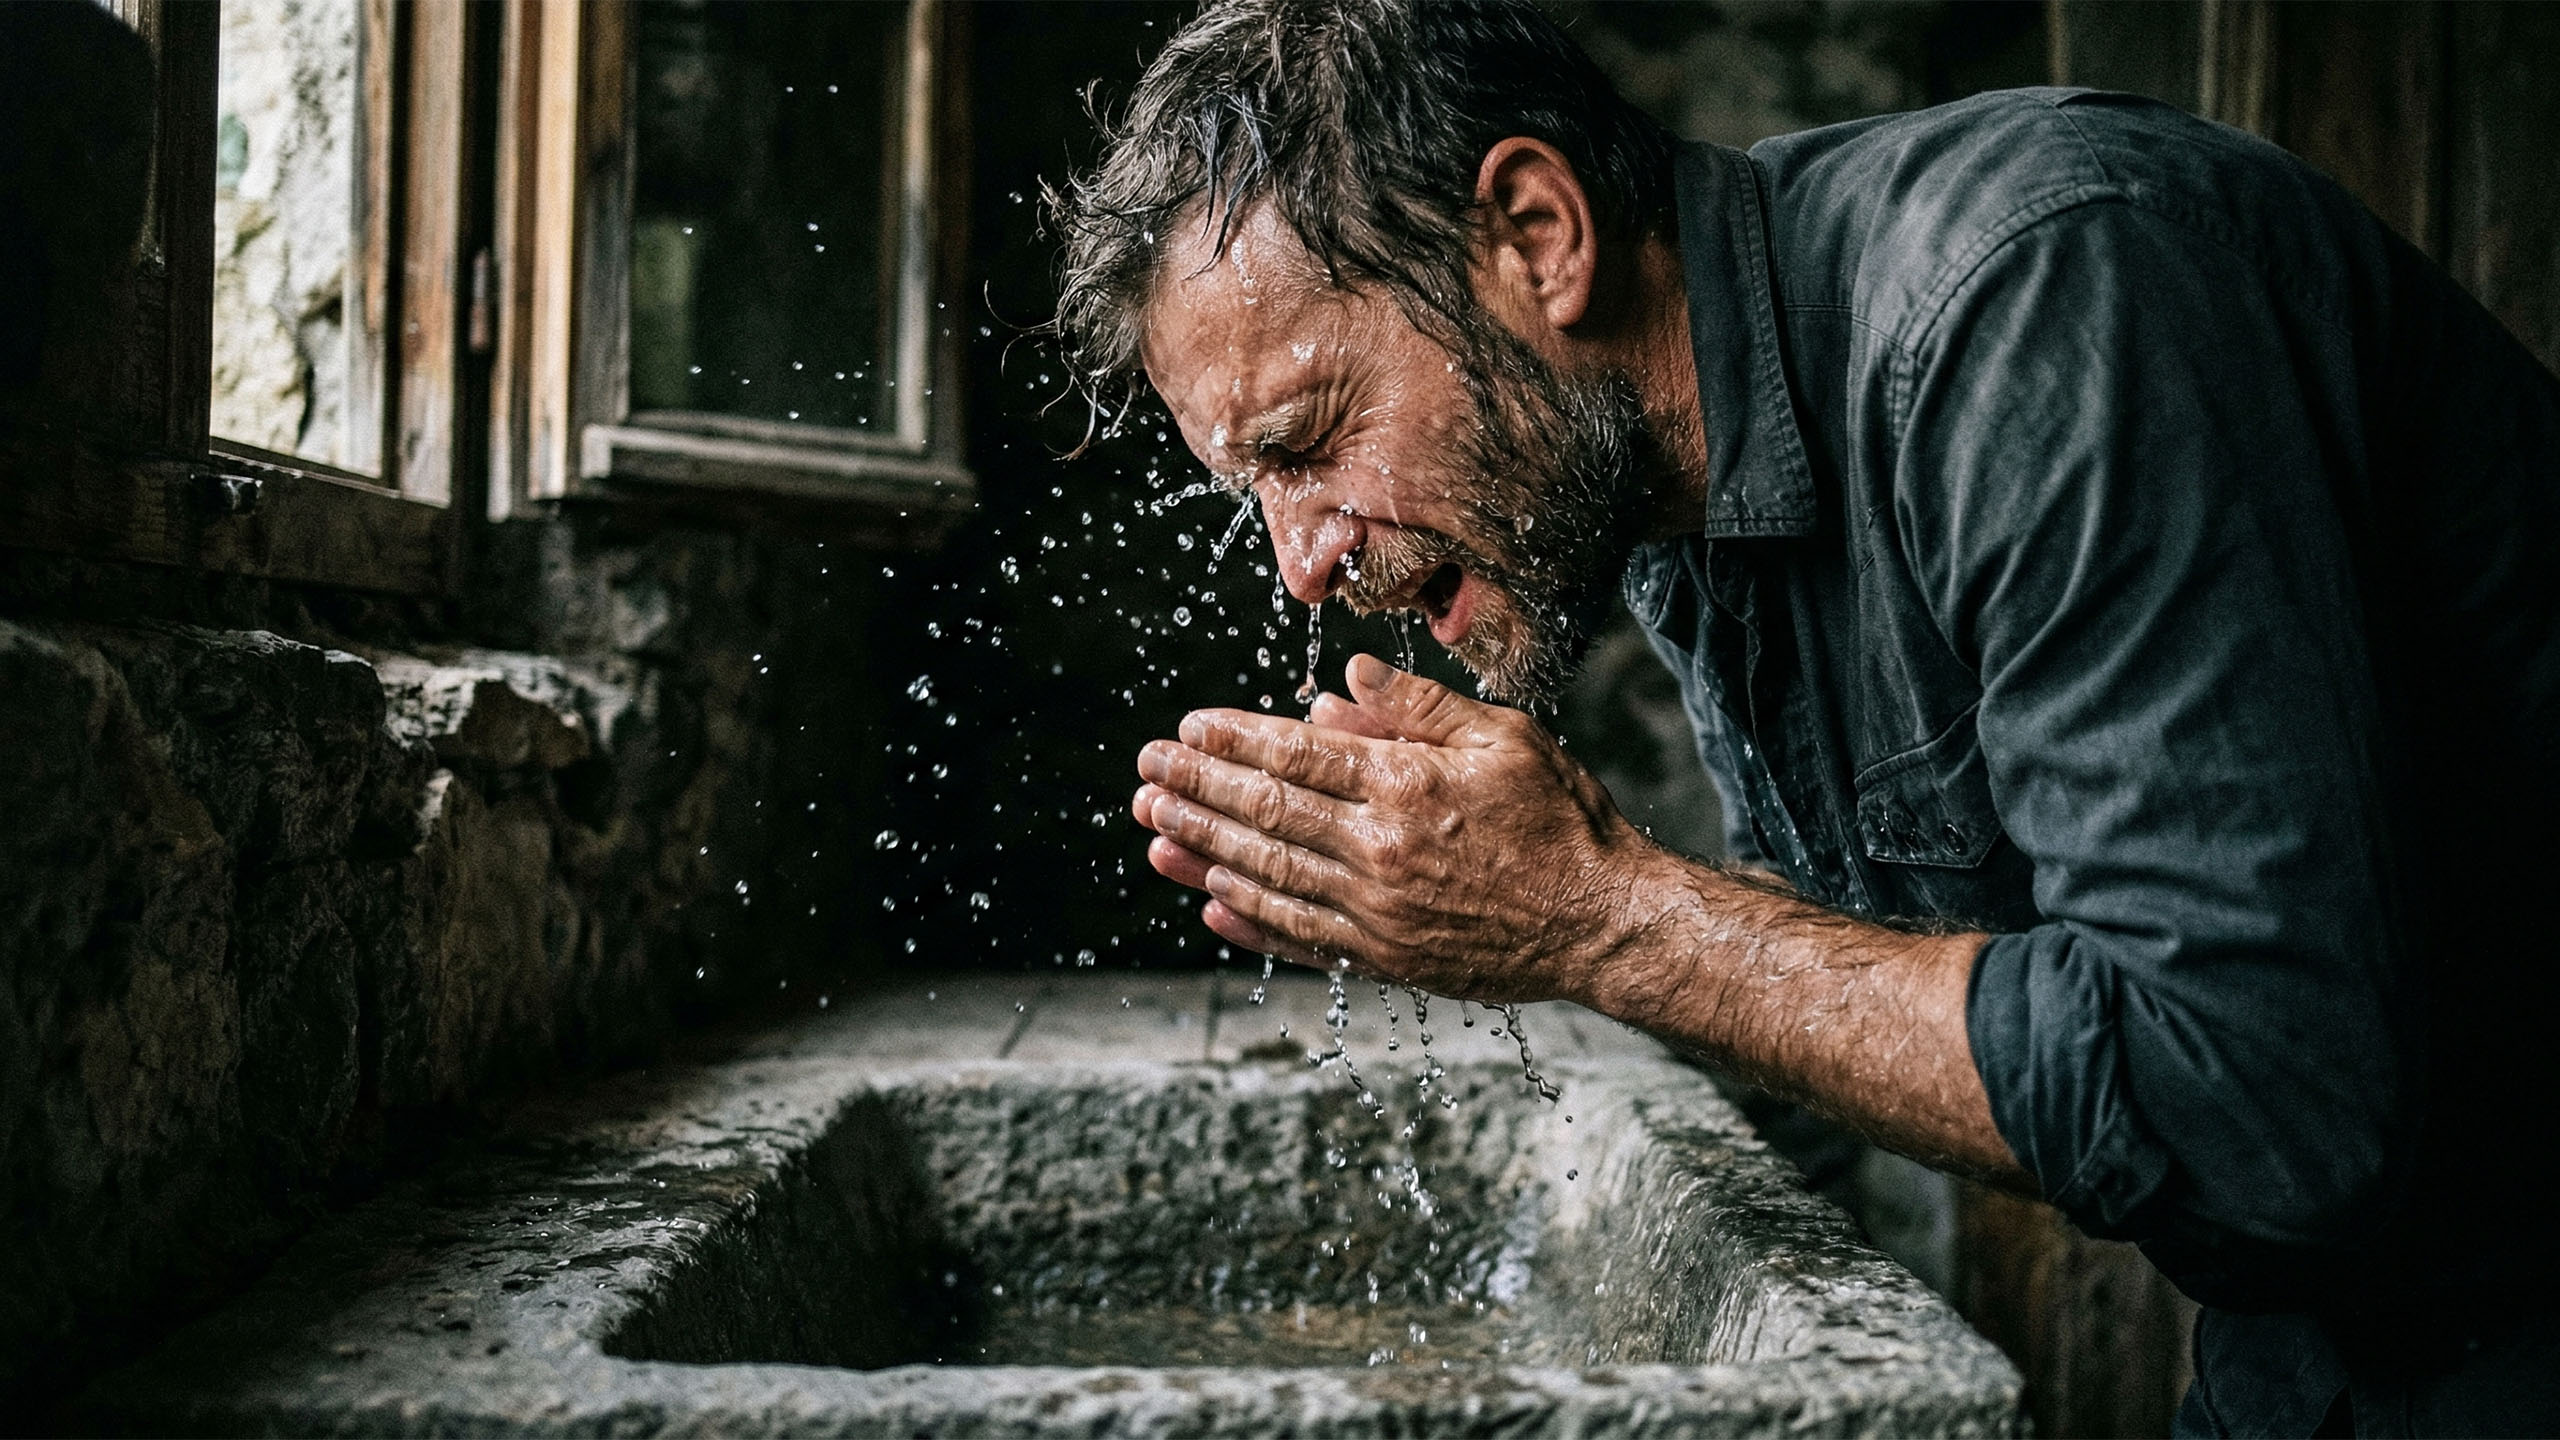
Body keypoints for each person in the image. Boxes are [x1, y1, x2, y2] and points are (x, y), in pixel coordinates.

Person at [1054, 2, 2560, 1433]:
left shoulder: (2043, 295)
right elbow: (1878, 961)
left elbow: (2262, 1097)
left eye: (1307, 445)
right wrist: (1502, 899)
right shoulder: (1668, 482)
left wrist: (1591, 916)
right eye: (1252, 492)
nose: (1302, 561)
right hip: (2320, 1344)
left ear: (1536, 235)